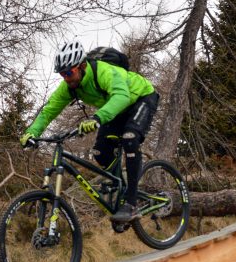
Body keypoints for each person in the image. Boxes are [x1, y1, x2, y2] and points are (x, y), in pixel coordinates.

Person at [19, 41, 160, 224]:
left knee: (130, 138)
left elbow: (122, 96)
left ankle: (131, 202)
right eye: (62, 74)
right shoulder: (69, 87)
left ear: (82, 65)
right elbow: (48, 111)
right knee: (100, 152)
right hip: (116, 109)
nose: (66, 78)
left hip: (140, 98)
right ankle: (121, 185)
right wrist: (31, 132)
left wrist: (97, 119)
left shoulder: (103, 71)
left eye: (69, 72)